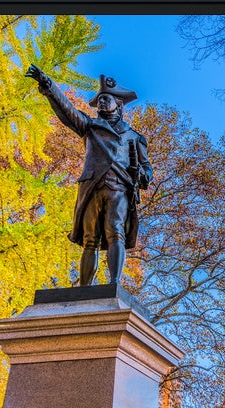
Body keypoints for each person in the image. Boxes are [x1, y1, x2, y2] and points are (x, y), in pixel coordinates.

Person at [25, 67, 152, 286]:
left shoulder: (134, 137)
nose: (101, 102)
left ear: (119, 105)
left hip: (119, 189)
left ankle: (114, 283)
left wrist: (141, 174)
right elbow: (68, 112)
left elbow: (147, 170)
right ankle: (84, 289)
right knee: (90, 239)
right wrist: (49, 87)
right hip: (92, 186)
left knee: (116, 232)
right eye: (99, 99)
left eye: (106, 99)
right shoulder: (90, 126)